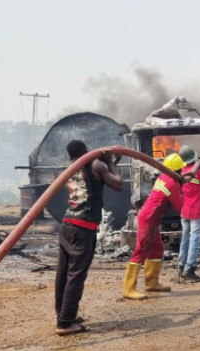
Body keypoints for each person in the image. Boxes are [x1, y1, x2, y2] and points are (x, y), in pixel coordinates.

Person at [54, 140, 123, 336]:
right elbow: (118, 184)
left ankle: (64, 314)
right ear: (86, 151)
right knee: (76, 275)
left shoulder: (71, 168)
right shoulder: (96, 165)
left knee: (64, 273)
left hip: (67, 224)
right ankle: (65, 323)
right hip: (83, 228)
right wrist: (110, 162)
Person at [124, 153, 186, 300]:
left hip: (151, 218)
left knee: (157, 250)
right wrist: (184, 187)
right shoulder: (172, 183)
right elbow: (180, 206)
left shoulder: (164, 177)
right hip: (149, 219)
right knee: (141, 250)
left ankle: (152, 283)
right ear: (178, 171)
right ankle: (129, 288)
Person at [177, 146, 200, 281]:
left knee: (185, 239)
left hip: (185, 211)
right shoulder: (199, 173)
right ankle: (190, 269)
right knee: (194, 240)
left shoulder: (183, 171)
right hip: (197, 211)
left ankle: (181, 267)